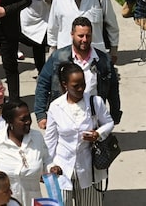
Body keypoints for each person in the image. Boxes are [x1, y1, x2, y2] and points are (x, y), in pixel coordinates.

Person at [44, 62, 114, 205]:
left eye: (83, 84)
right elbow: (50, 140)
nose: (81, 89)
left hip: (89, 166)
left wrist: (98, 134)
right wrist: (48, 165)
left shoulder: (95, 102)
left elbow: (109, 123)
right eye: (76, 86)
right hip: (61, 166)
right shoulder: (55, 107)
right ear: (65, 85)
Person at [35, 16, 121, 128]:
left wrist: (114, 114)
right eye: (80, 36)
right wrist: (41, 115)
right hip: (63, 119)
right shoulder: (58, 58)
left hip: (92, 118)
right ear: (72, 34)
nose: (84, 40)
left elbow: (113, 89)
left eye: (88, 36)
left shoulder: (103, 60)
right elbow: (43, 83)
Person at [0, 99, 50, 206]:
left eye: (29, 117)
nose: (28, 122)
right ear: (10, 121)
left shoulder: (37, 137)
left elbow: (47, 161)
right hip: (4, 203)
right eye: (23, 119)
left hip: (32, 201)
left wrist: (52, 168)